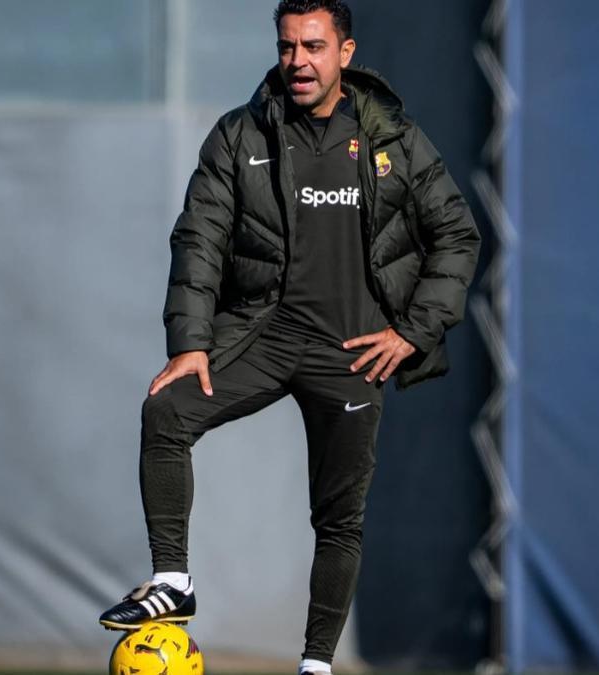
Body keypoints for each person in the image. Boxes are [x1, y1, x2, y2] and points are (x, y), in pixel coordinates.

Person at [99, 1, 480, 673]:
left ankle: (316, 665)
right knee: (166, 409)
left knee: (338, 520)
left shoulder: (392, 138)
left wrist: (412, 332)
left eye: (313, 47)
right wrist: (190, 342)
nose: (298, 62)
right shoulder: (241, 135)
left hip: (351, 356)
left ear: (345, 52)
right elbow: (200, 239)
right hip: (261, 337)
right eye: (287, 47)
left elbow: (457, 235)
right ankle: (172, 582)